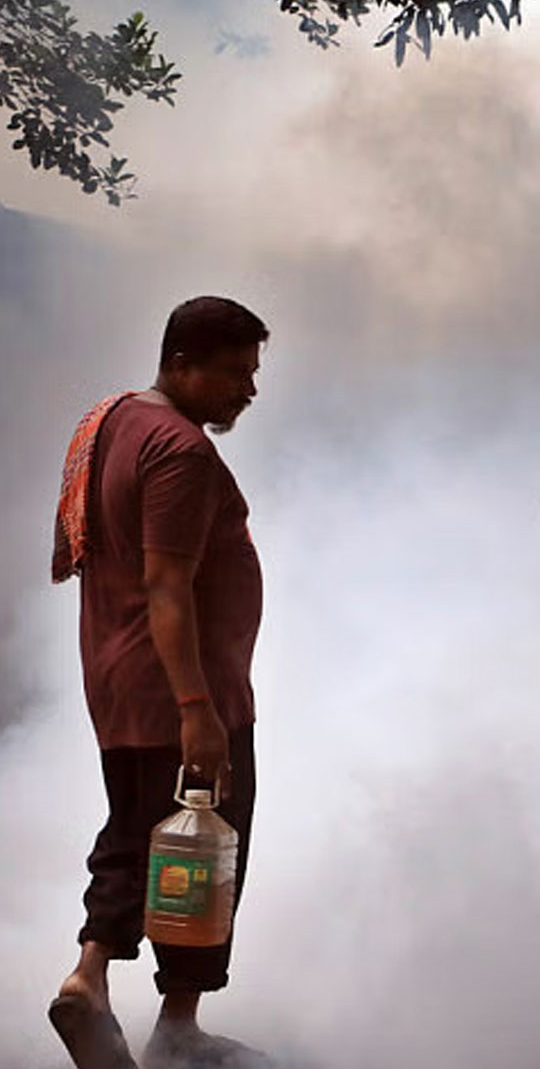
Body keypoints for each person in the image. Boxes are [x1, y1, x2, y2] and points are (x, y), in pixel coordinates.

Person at [48, 297, 269, 1069]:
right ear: (182, 364)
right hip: (175, 689)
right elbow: (168, 586)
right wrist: (197, 710)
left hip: (121, 677)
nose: (247, 390)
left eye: (252, 373)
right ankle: (168, 1019)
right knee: (206, 849)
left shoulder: (112, 419)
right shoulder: (178, 451)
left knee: (137, 832)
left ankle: (96, 982)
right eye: (234, 373)